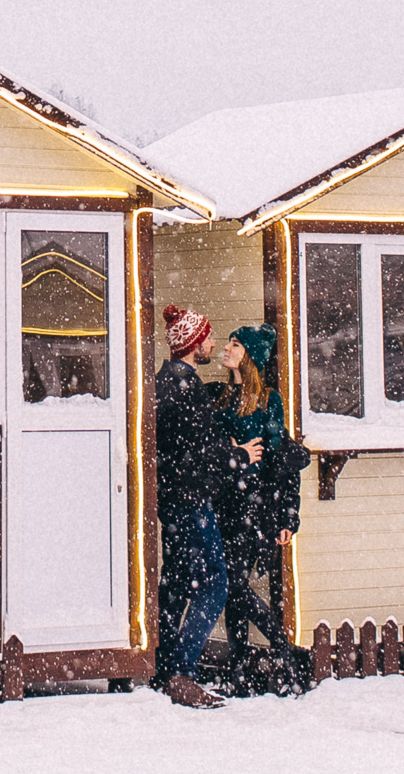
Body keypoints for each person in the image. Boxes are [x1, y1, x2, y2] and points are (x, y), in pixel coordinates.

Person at [153, 303, 236, 709]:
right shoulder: (188, 389)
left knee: (176, 585)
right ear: (193, 343)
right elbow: (205, 447)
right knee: (214, 583)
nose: (214, 343)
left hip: (170, 499)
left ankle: (165, 667)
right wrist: (238, 456)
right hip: (191, 500)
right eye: (209, 337)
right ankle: (183, 672)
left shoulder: (162, 382)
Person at [217, 324, 306, 657]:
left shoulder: (269, 401)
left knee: (234, 585)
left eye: (235, 344)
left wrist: (287, 516)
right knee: (230, 590)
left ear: (250, 357)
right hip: (226, 504)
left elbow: (285, 461)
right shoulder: (224, 397)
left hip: (253, 507)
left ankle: (284, 649)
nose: (226, 348)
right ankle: (238, 663)